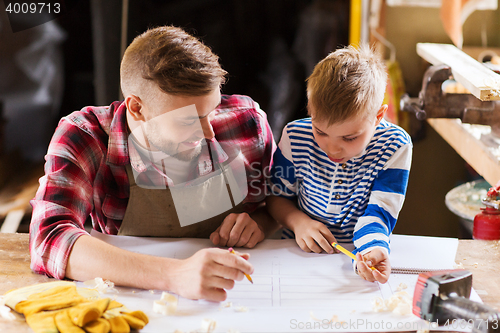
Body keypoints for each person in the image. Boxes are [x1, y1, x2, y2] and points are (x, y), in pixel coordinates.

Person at [29, 26, 278, 302]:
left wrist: (260, 222)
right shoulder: (86, 136)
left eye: (211, 110)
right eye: (189, 120)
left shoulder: (247, 123)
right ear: (137, 108)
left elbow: (280, 205)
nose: (208, 132)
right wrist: (175, 275)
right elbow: (49, 239)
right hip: (137, 299)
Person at [266, 45, 412, 284]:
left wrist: (370, 250)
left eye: (350, 138)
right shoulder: (295, 136)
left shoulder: (395, 145)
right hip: (294, 255)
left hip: (350, 260)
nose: (332, 148)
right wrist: (298, 222)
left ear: (378, 117)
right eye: (320, 131)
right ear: (310, 110)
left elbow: (380, 211)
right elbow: (275, 197)